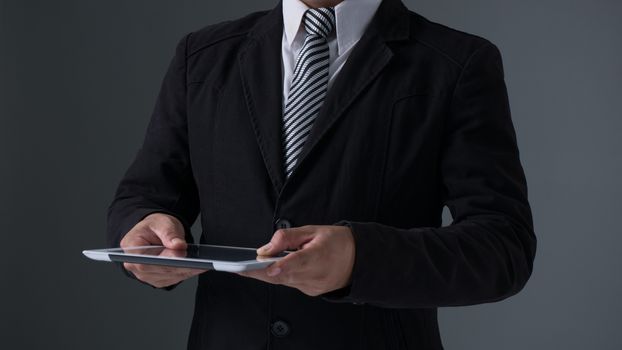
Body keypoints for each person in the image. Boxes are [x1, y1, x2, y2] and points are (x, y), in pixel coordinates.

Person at [107, 0, 537, 348]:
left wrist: (360, 258)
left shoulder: (457, 64)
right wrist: (140, 234)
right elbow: (143, 200)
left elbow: (503, 249)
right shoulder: (201, 58)